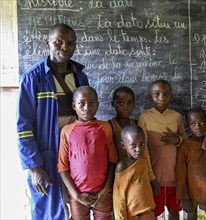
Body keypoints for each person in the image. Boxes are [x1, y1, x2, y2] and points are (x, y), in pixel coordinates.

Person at [16, 23, 89, 219]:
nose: (64, 47)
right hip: (46, 156)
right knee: (48, 209)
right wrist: (34, 166)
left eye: (70, 43)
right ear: (47, 42)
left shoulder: (80, 76)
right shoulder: (33, 78)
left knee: (77, 206)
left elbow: (87, 117)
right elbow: (23, 127)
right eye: (58, 42)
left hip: (76, 155)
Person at [58, 86, 118, 219]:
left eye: (91, 103)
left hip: (102, 193)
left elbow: (112, 160)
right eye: (81, 103)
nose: (86, 108)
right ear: (74, 106)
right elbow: (62, 167)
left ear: (97, 104)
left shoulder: (105, 127)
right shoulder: (67, 131)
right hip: (78, 194)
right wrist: (76, 195)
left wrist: (105, 191)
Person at [138, 79, 185, 219]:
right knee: (154, 211)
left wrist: (177, 140)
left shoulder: (176, 117)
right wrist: (151, 178)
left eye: (166, 94)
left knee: (174, 210)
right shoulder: (144, 117)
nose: (161, 98)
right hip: (154, 175)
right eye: (157, 94)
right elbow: (143, 148)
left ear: (171, 96)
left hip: (174, 174)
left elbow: (184, 141)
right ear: (150, 96)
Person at [176, 107, 206, 220]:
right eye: (193, 124)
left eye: (201, 123)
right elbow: (180, 173)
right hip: (190, 194)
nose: (197, 127)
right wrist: (183, 197)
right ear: (188, 125)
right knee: (191, 216)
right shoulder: (185, 146)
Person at [113, 124, 156, 219]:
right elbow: (119, 198)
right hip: (132, 216)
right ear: (123, 145)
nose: (139, 149)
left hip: (148, 212)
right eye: (133, 145)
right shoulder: (122, 166)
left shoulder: (143, 160)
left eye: (142, 144)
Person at [108, 86, 137, 160]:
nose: (125, 107)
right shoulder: (110, 126)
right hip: (117, 168)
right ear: (113, 104)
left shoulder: (136, 124)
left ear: (134, 104)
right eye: (121, 103)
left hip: (135, 167)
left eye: (129, 103)